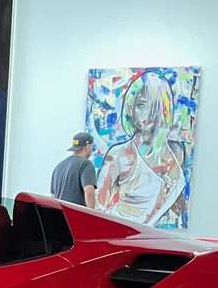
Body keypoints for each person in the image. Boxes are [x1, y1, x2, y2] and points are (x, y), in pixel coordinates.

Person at [95, 72, 186, 226]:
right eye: (141, 105)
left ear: (164, 109)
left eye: (154, 106)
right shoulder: (119, 155)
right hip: (121, 238)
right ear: (130, 108)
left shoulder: (176, 153)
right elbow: (97, 210)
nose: (148, 114)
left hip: (152, 240)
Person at [51, 132, 98, 208]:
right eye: (92, 147)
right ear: (87, 146)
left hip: (60, 216)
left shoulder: (58, 166)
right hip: (76, 216)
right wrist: (92, 215)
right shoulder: (85, 164)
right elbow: (89, 190)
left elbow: (53, 196)